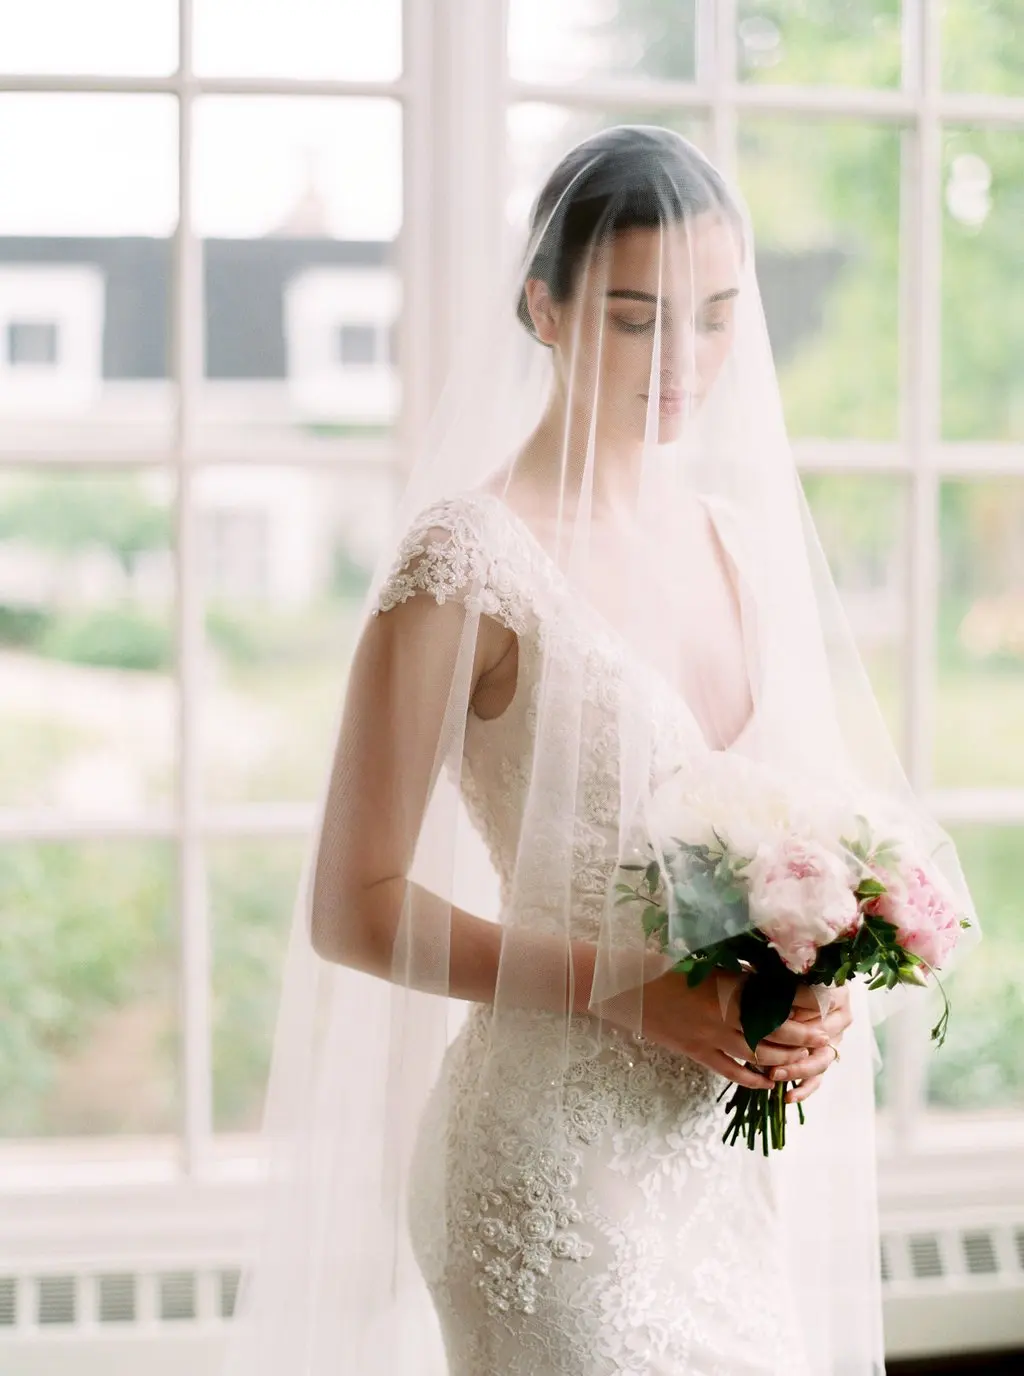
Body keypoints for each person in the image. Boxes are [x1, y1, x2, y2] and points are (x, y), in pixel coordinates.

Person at [220, 126, 977, 1376]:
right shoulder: (465, 560)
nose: (685, 361)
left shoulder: (736, 544)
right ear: (544, 308)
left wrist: (810, 995)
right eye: (638, 318)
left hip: (720, 1177)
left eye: (718, 316)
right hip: (544, 1183)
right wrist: (626, 988)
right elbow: (351, 908)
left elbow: (788, 838)